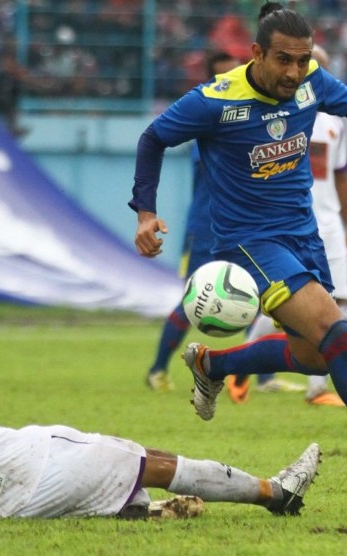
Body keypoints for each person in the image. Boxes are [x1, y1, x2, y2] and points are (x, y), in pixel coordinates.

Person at [130, 3, 347, 496]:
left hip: (303, 236)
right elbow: (153, 138)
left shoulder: (311, 81)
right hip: (248, 243)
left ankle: (213, 365)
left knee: (316, 358)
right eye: (283, 60)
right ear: (256, 53)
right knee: (336, 334)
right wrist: (145, 213)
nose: (294, 72)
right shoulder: (216, 99)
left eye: (302, 60)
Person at [0, 336, 321, 520]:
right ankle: (276, 493)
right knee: (149, 461)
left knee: (120, 490)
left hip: (1, 511)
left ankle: (142, 514)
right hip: (29, 463)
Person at [226, 44, 347, 408]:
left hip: (329, 221)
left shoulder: (335, 123)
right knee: (303, 305)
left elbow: (341, 176)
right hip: (295, 221)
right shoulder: (285, 114)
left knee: (329, 303)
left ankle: (259, 370)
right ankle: (297, 382)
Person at [145, 51, 242, 392]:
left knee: (269, 294)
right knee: (193, 302)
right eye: (222, 77)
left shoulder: (243, 117)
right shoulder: (209, 123)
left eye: (234, 74)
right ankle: (157, 369)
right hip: (208, 228)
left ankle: (259, 377)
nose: (229, 82)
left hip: (243, 226)